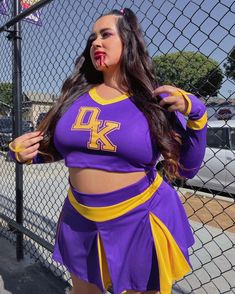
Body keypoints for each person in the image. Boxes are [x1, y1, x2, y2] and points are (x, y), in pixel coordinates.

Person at [8, 8, 207, 294]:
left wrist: (197, 117)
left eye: (105, 35)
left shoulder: (153, 100)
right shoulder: (74, 97)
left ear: (128, 41)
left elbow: (187, 168)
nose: (96, 43)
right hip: (80, 217)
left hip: (140, 218)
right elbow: (63, 150)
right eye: (92, 38)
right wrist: (23, 152)